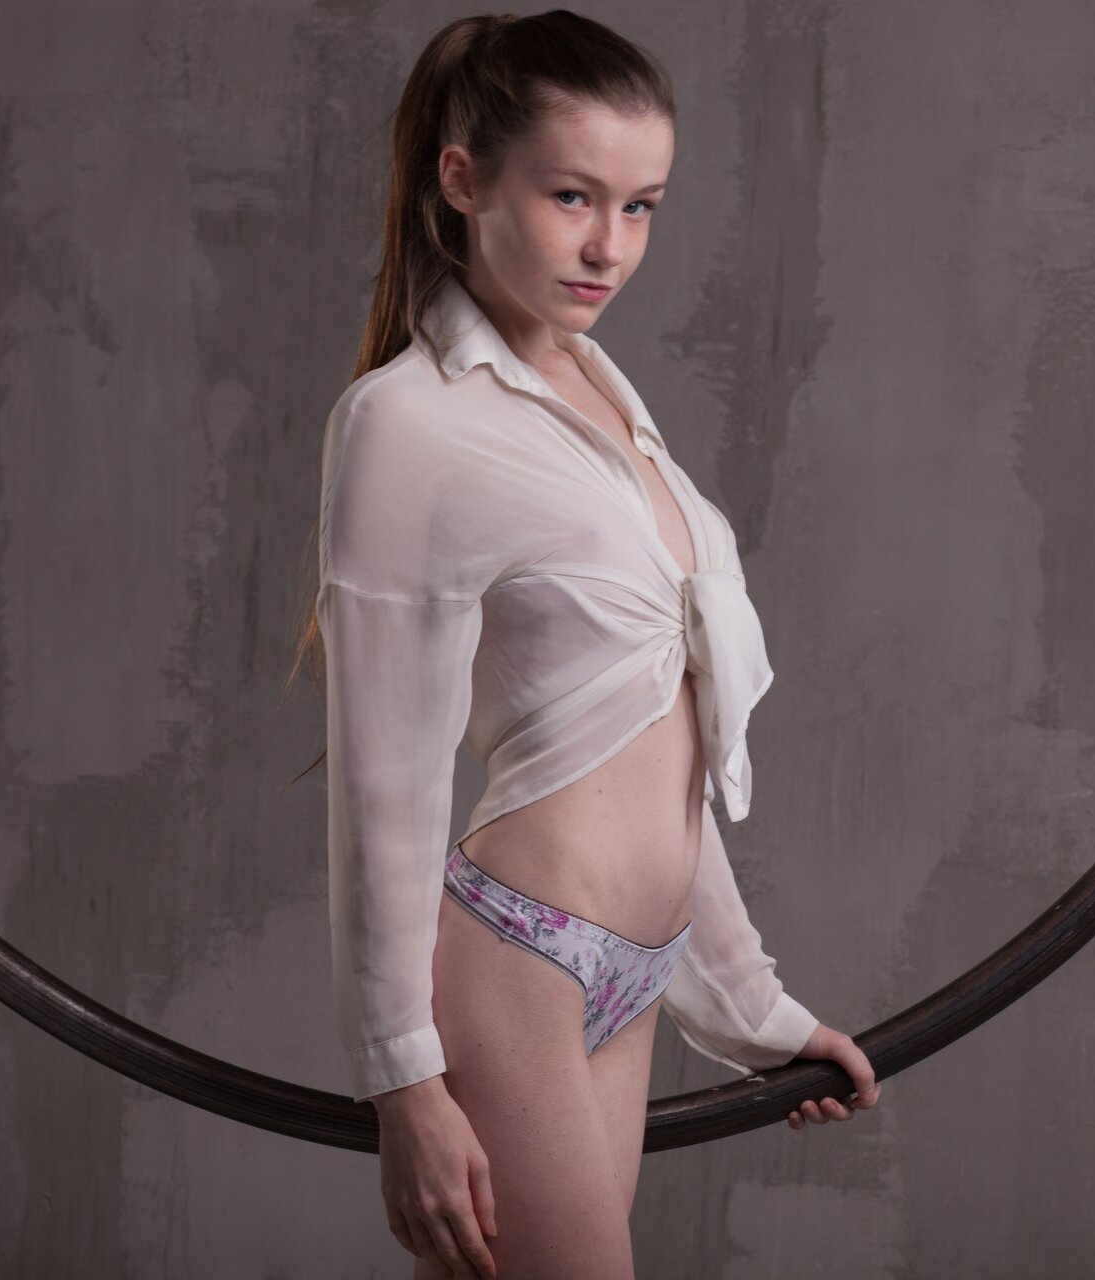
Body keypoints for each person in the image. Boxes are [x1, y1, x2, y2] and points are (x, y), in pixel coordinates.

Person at [288, 11, 880, 1278]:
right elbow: (385, 787)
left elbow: (662, 749)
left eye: (640, 206)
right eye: (572, 196)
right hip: (522, 965)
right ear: (463, 179)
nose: (610, 246)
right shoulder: (408, 423)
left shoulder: (605, 392)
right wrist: (404, 1082)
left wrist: (755, 1009)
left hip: (634, 975)